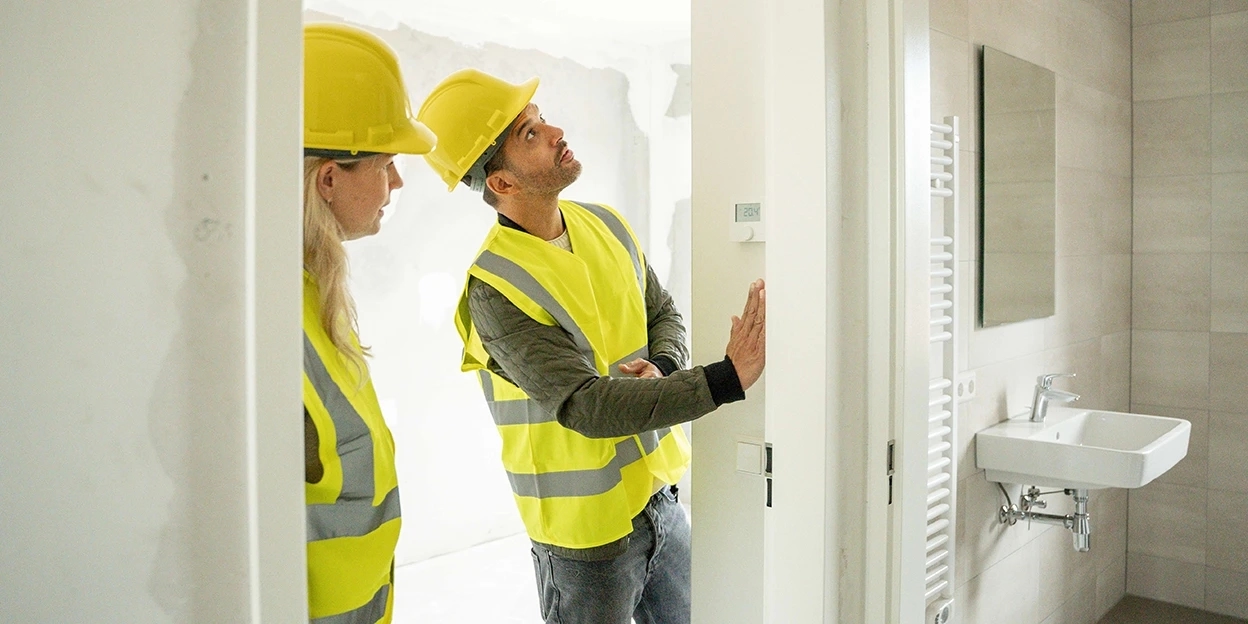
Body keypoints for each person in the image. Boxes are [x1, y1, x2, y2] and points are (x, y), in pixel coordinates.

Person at [415, 69, 765, 624]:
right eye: (529, 135)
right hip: (584, 541)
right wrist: (727, 378)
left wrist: (666, 363)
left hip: (659, 502)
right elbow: (587, 405)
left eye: (541, 117)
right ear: (501, 184)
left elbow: (661, 311)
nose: (554, 131)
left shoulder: (606, 224)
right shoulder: (497, 286)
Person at [300, 23, 436, 623]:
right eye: (386, 163)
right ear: (329, 179)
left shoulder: (312, 291)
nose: (398, 182)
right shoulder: (266, 322)